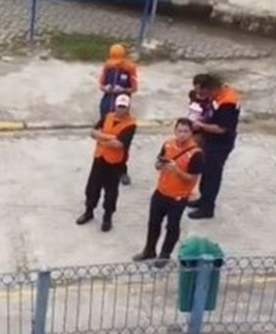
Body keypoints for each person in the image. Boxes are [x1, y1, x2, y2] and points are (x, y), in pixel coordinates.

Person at [133, 118, 204, 265]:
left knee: (172, 226)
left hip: (178, 197)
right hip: (161, 191)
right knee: (153, 223)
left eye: (185, 131)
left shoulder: (196, 154)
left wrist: (176, 170)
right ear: (175, 131)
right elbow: (159, 162)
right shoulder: (168, 144)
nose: (182, 134)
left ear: (191, 133)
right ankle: (149, 250)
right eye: (179, 131)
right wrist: (159, 165)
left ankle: (165, 254)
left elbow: (192, 179)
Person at [76, 93, 137, 232]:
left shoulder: (131, 125)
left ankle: (107, 218)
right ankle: (89, 211)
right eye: (119, 106)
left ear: (128, 108)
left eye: (124, 107)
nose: (121, 109)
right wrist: (108, 137)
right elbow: (93, 132)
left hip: (115, 163)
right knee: (92, 187)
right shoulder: (108, 116)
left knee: (111, 192)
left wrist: (100, 138)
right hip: (100, 158)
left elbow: (119, 145)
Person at [188, 72, 241, 220]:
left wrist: (201, 125)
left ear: (210, 88)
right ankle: (202, 200)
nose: (199, 94)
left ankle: (207, 208)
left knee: (212, 175)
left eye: (201, 91)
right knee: (206, 171)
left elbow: (222, 128)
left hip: (220, 143)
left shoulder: (227, 103)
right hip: (210, 140)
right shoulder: (218, 94)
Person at [98, 43, 139, 186]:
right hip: (107, 103)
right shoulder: (108, 66)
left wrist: (123, 89)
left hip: (121, 104)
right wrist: (105, 87)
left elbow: (134, 88)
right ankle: (102, 165)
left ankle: (122, 171)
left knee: (121, 143)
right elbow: (101, 83)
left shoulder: (130, 68)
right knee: (104, 136)